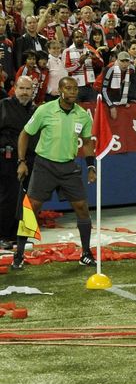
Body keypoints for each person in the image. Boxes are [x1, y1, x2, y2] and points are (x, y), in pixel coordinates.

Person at [15, 76, 98, 269]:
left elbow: (86, 142)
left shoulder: (82, 115)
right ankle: (18, 254)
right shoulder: (45, 110)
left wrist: (91, 167)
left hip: (69, 167)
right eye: (68, 88)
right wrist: (22, 162)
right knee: (32, 209)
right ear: (60, 90)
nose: (72, 92)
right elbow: (25, 134)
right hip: (45, 166)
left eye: (75, 89)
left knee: (82, 207)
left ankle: (85, 253)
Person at [0, 76, 35, 250]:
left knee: (26, 199)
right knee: (8, 197)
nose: (24, 92)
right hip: (8, 158)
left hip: (31, 160)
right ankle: (4, 235)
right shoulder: (4, 105)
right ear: (15, 88)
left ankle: (20, 236)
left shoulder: (36, 110)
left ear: (33, 90)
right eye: (21, 88)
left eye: (28, 89)